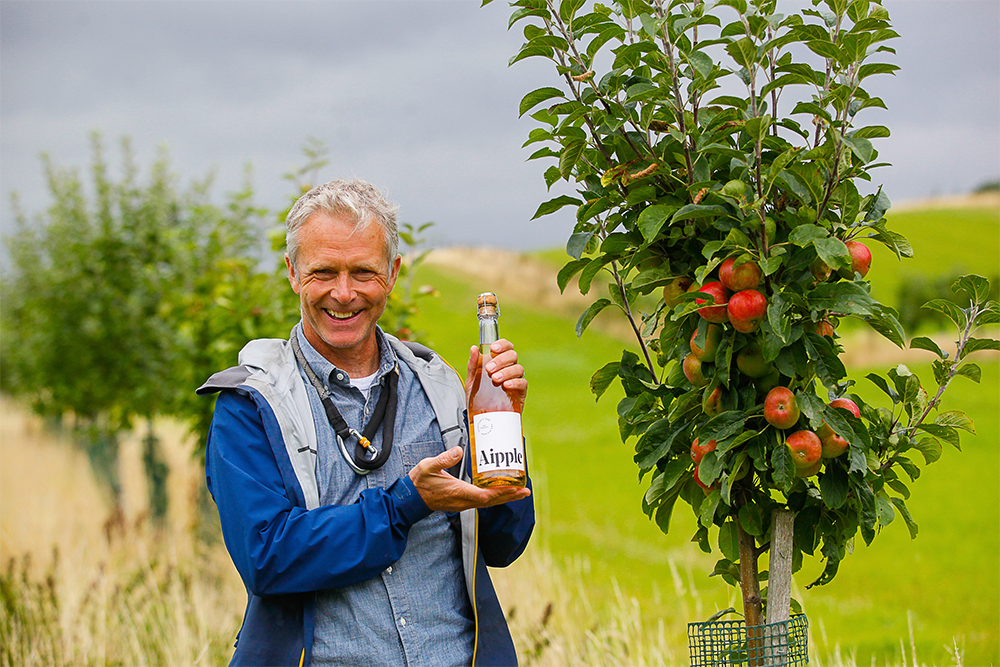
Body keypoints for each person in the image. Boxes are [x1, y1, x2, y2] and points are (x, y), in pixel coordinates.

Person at [197, 179, 534, 667]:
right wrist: (404, 505)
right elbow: (266, 558)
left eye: (363, 272)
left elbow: (505, 541)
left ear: (393, 273)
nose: (344, 293)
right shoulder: (251, 405)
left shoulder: (437, 387)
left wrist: (501, 423)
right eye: (323, 271)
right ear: (292, 272)